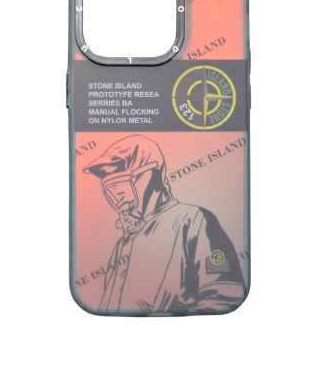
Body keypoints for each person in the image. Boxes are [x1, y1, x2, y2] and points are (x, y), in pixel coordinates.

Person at [83, 134, 246, 314]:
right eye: (110, 186)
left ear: (155, 175)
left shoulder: (194, 220)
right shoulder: (123, 244)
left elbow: (223, 295)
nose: (119, 196)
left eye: (123, 182)